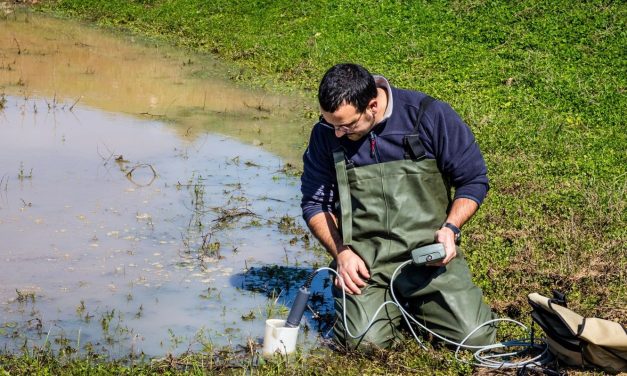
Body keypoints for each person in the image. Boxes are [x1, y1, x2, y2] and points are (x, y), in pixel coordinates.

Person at [300, 63, 496, 350]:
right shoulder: (325, 134)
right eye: (332, 124)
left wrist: (450, 228)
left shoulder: (428, 114)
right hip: (366, 263)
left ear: (373, 105)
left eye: (347, 125)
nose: (338, 133)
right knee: (364, 345)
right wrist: (341, 253)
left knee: (476, 339)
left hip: (427, 260)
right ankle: (385, 305)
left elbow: (474, 180)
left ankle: (414, 306)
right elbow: (315, 203)